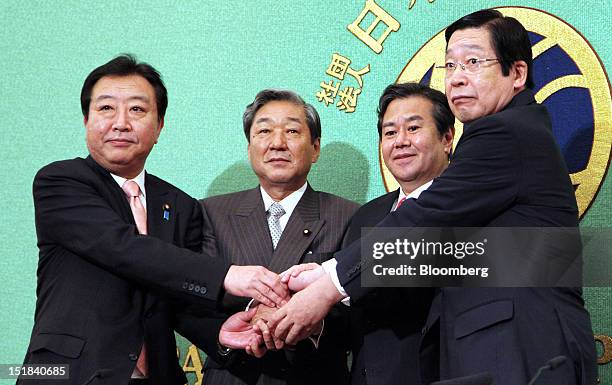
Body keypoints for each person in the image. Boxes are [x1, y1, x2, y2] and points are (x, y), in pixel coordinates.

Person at [270, 9, 598, 385]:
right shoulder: (512, 134)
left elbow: (424, 219)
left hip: (524, 350)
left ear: (517, 73)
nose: (457, 78)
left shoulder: (505, 134)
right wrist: (324, 275)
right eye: (450, 66)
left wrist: (329, 285)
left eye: (473, 62)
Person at [19, 55, 288, 385]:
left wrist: (219, 332)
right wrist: (226, 276)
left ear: (159, 125)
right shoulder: (60, 181)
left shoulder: (182, 206)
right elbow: (123, 248)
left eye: (137, 110)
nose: (121, 122)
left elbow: (179, 299)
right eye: (106, 109)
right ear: (86, 119)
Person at [176, 89, 358, 385]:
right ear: (250, 148)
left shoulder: (348, 215)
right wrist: (252, 314)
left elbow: (360, 313)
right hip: (234, 374)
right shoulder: (212, 212)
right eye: (264, 131)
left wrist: (307, 320)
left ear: (315, 148)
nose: (277, 143)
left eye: (292, 131)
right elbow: (192, 301)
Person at [343, 82, 453, 385]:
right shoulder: (366, 216)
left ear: (447, 138)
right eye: (390, 133)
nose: (400, 141)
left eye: (413, 128)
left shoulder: (472, 207)